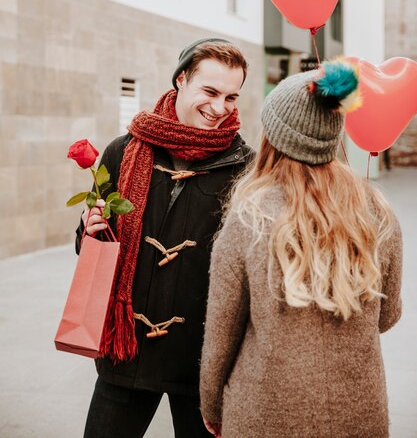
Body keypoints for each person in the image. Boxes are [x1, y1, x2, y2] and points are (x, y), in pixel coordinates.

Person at [200, 60, 403, 438]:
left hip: (265, 412)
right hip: (358, 413)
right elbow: (387, 316)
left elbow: (222, 333)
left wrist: (211, 404)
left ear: (273, 137)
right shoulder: (377, 212)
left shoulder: (250, 216)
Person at [76, 38, 254, 438]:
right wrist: (88, 231)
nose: (220, 108)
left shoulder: (247, 168)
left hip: (201, 360)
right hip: (127, 351)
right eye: (209, 92)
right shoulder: (122, 152)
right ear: (181, 80)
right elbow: (90, 249)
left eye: (231, 97)